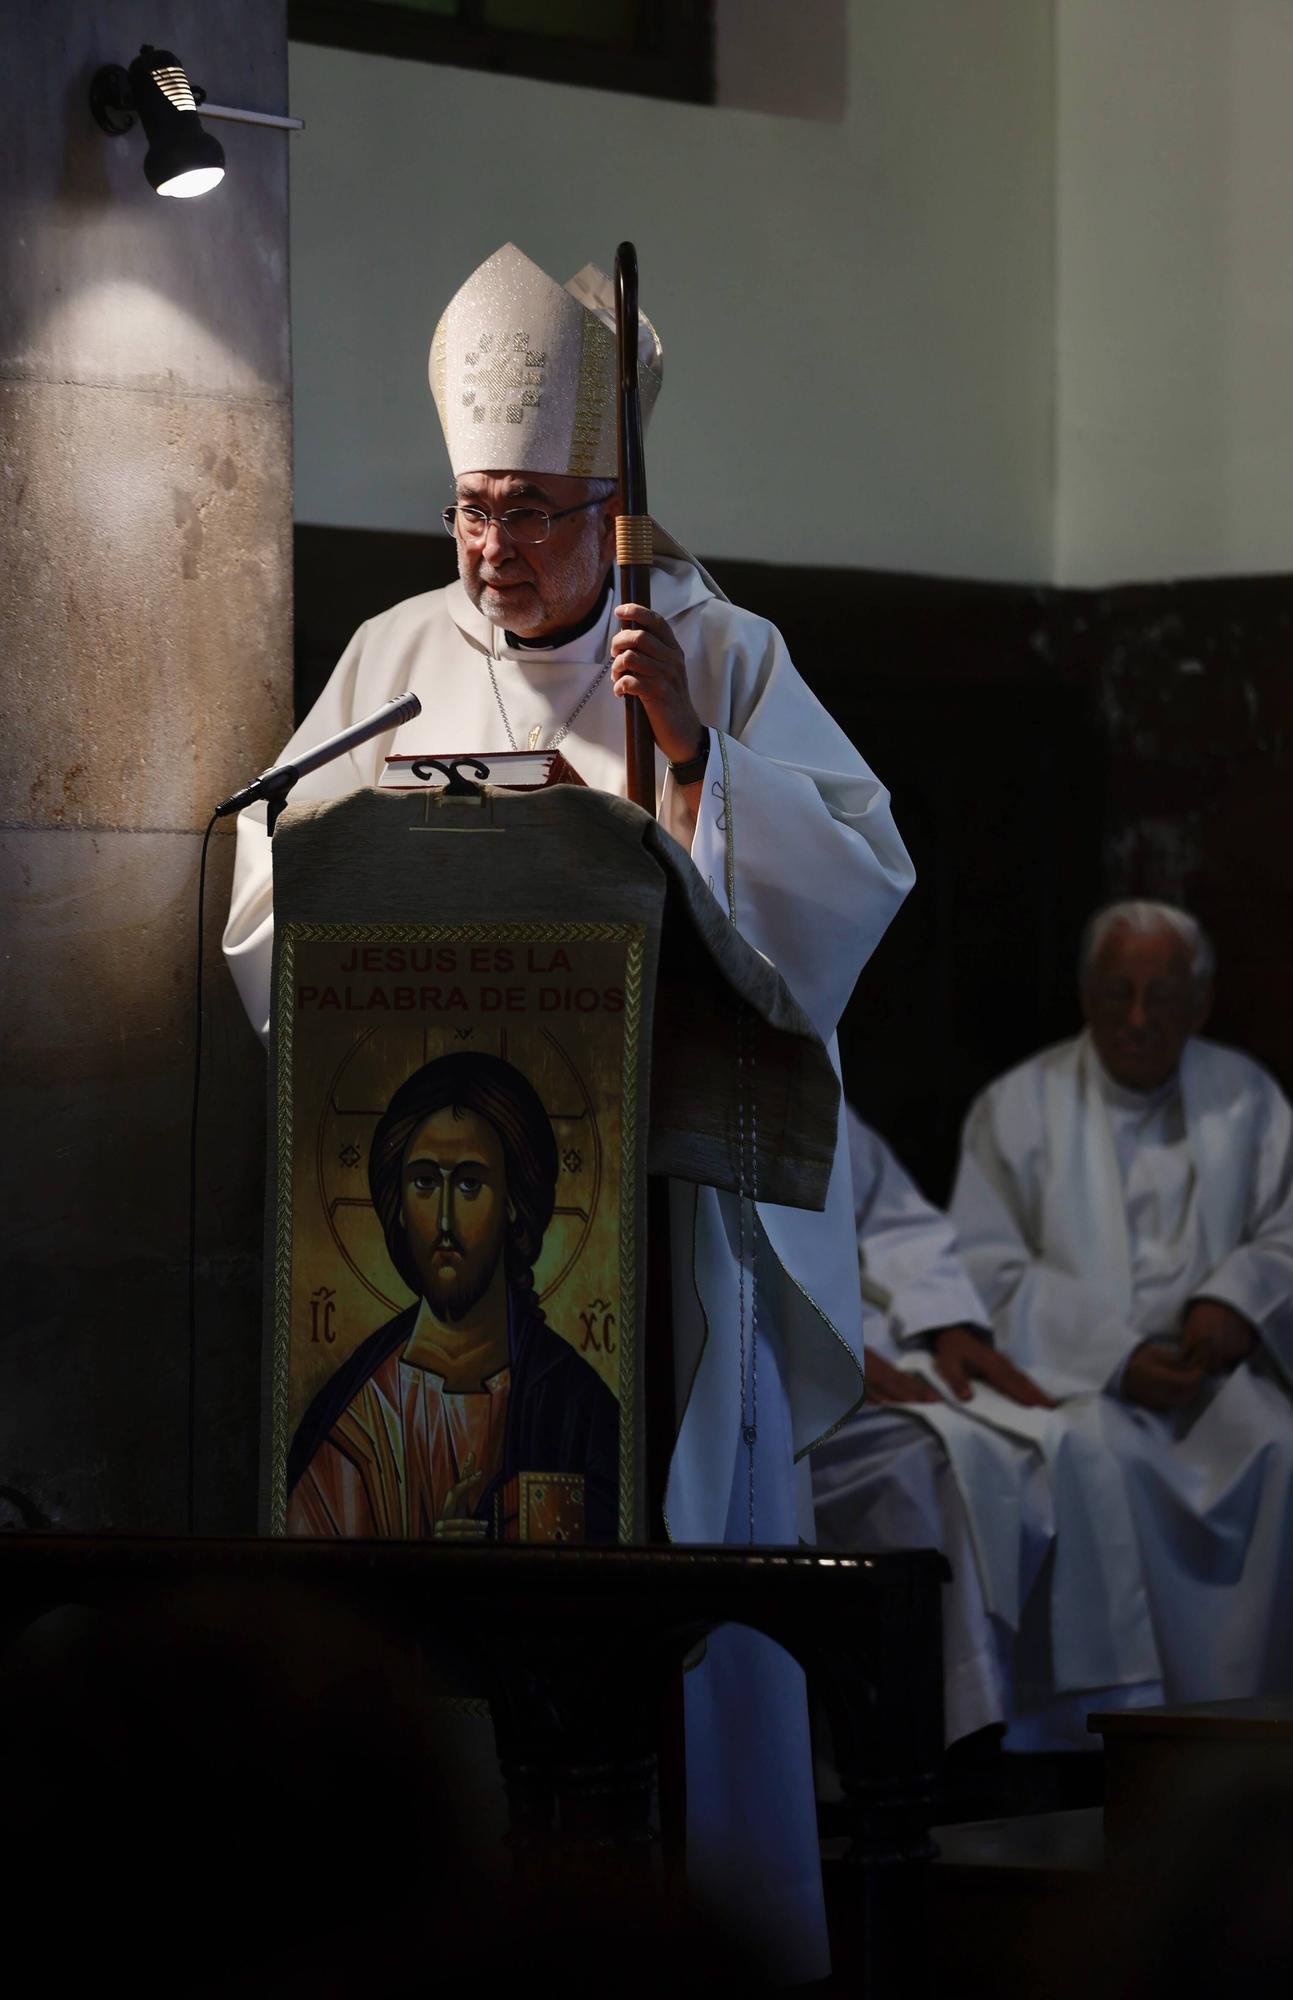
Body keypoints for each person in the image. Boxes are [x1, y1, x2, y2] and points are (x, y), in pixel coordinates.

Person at [223, 242, 914, 1981]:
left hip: (654, 1234)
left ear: (612, 509)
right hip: (411, 1265)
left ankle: (699, 1944)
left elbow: (851, 882)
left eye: (531, 512)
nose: (490, 550)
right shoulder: (389, 656)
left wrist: (687, 756)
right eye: (471, 507)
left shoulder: (712, 649)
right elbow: (262, 894)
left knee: (666, 1613)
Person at [948, 899, 1293, 1713]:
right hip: (1085, 1384)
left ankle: (1274, 1727)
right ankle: (1122, 1731)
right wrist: (1116, 1358)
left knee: (1286, 1460)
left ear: (1198, 1005)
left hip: (1210, 1382)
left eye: (1160, 998)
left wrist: (1233, 1301)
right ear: (1086, 996)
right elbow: (984, 1273)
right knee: (1105, 1468)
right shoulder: (1017, 1106)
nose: (1135, 1019)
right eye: (1116, 993)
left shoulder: (1245, 1097)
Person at [813, 1108, 1161, 1749]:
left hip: (893, 1341)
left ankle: (1069, 1730)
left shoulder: (808, 1065)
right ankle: (946, 1737)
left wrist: (948, 1322)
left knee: (1063, 1445)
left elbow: (896, 1220)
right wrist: (823, 1348)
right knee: (937, 1463)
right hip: (790, 1371)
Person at [287, 1052, 618, 1543]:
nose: (443, 1220)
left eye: (469, 1184)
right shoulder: (353, 1414)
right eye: (423, 1182)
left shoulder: (574, 1406)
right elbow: (307, 1595)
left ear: (512, 1201)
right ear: (398, 1205)